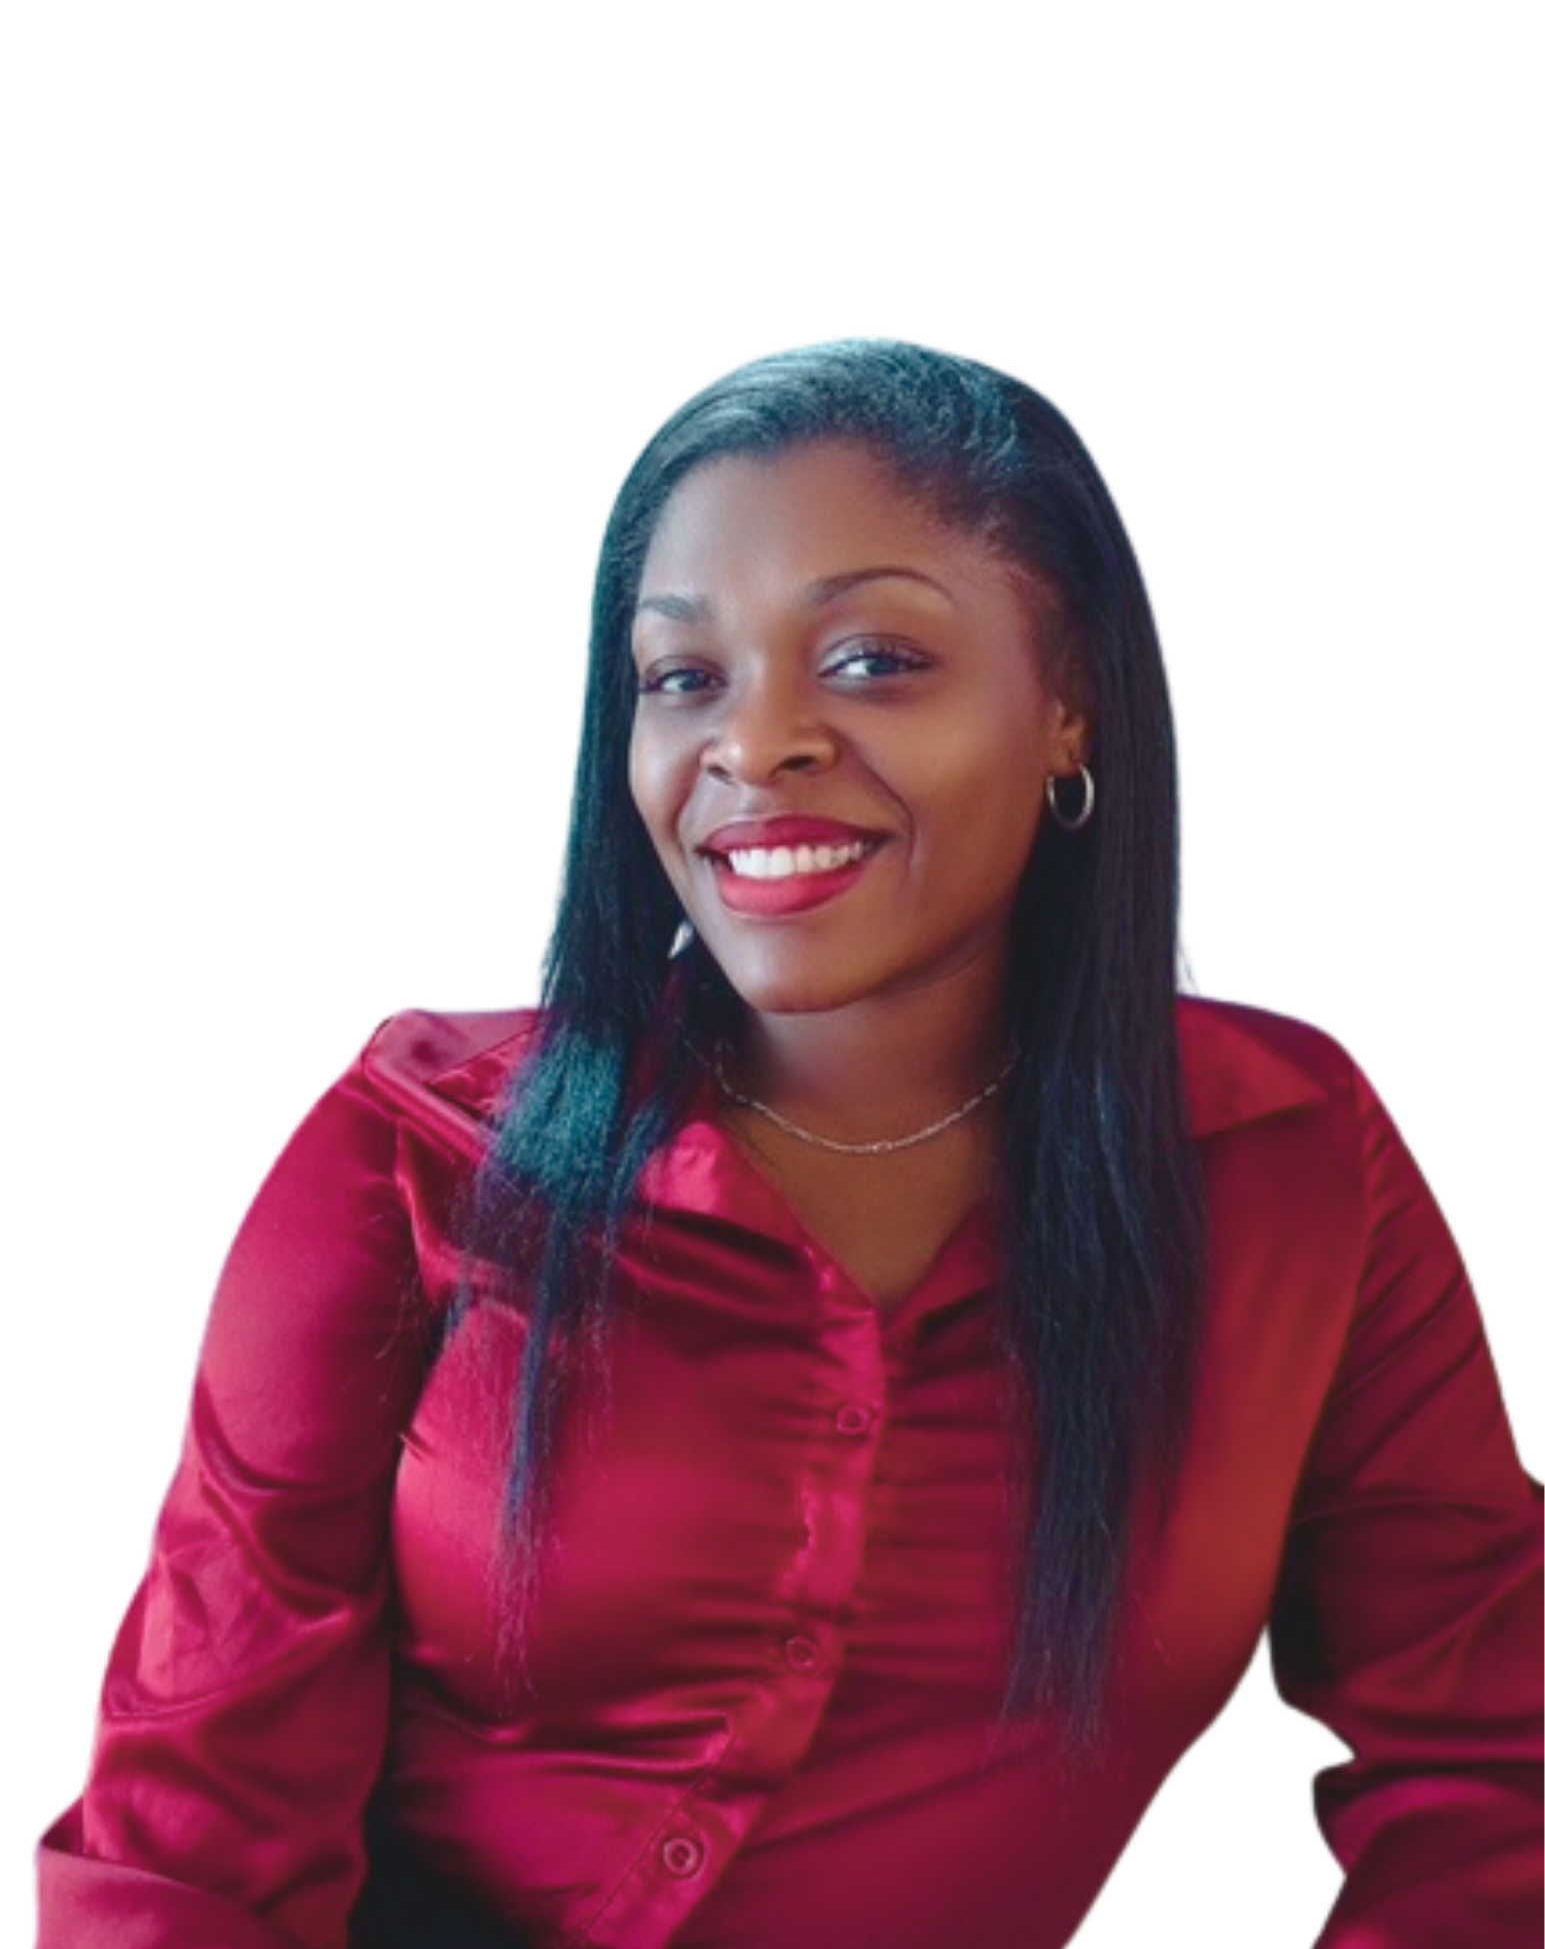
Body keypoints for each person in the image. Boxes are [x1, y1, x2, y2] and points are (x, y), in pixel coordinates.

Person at [32, 337, 1544, 1948]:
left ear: (1069, 706)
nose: (754, 744)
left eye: (874, 659)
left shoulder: (1292, 1158)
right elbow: (184, 1839)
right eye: (684, 677)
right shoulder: (410, 1144)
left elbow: (1491, 1758)